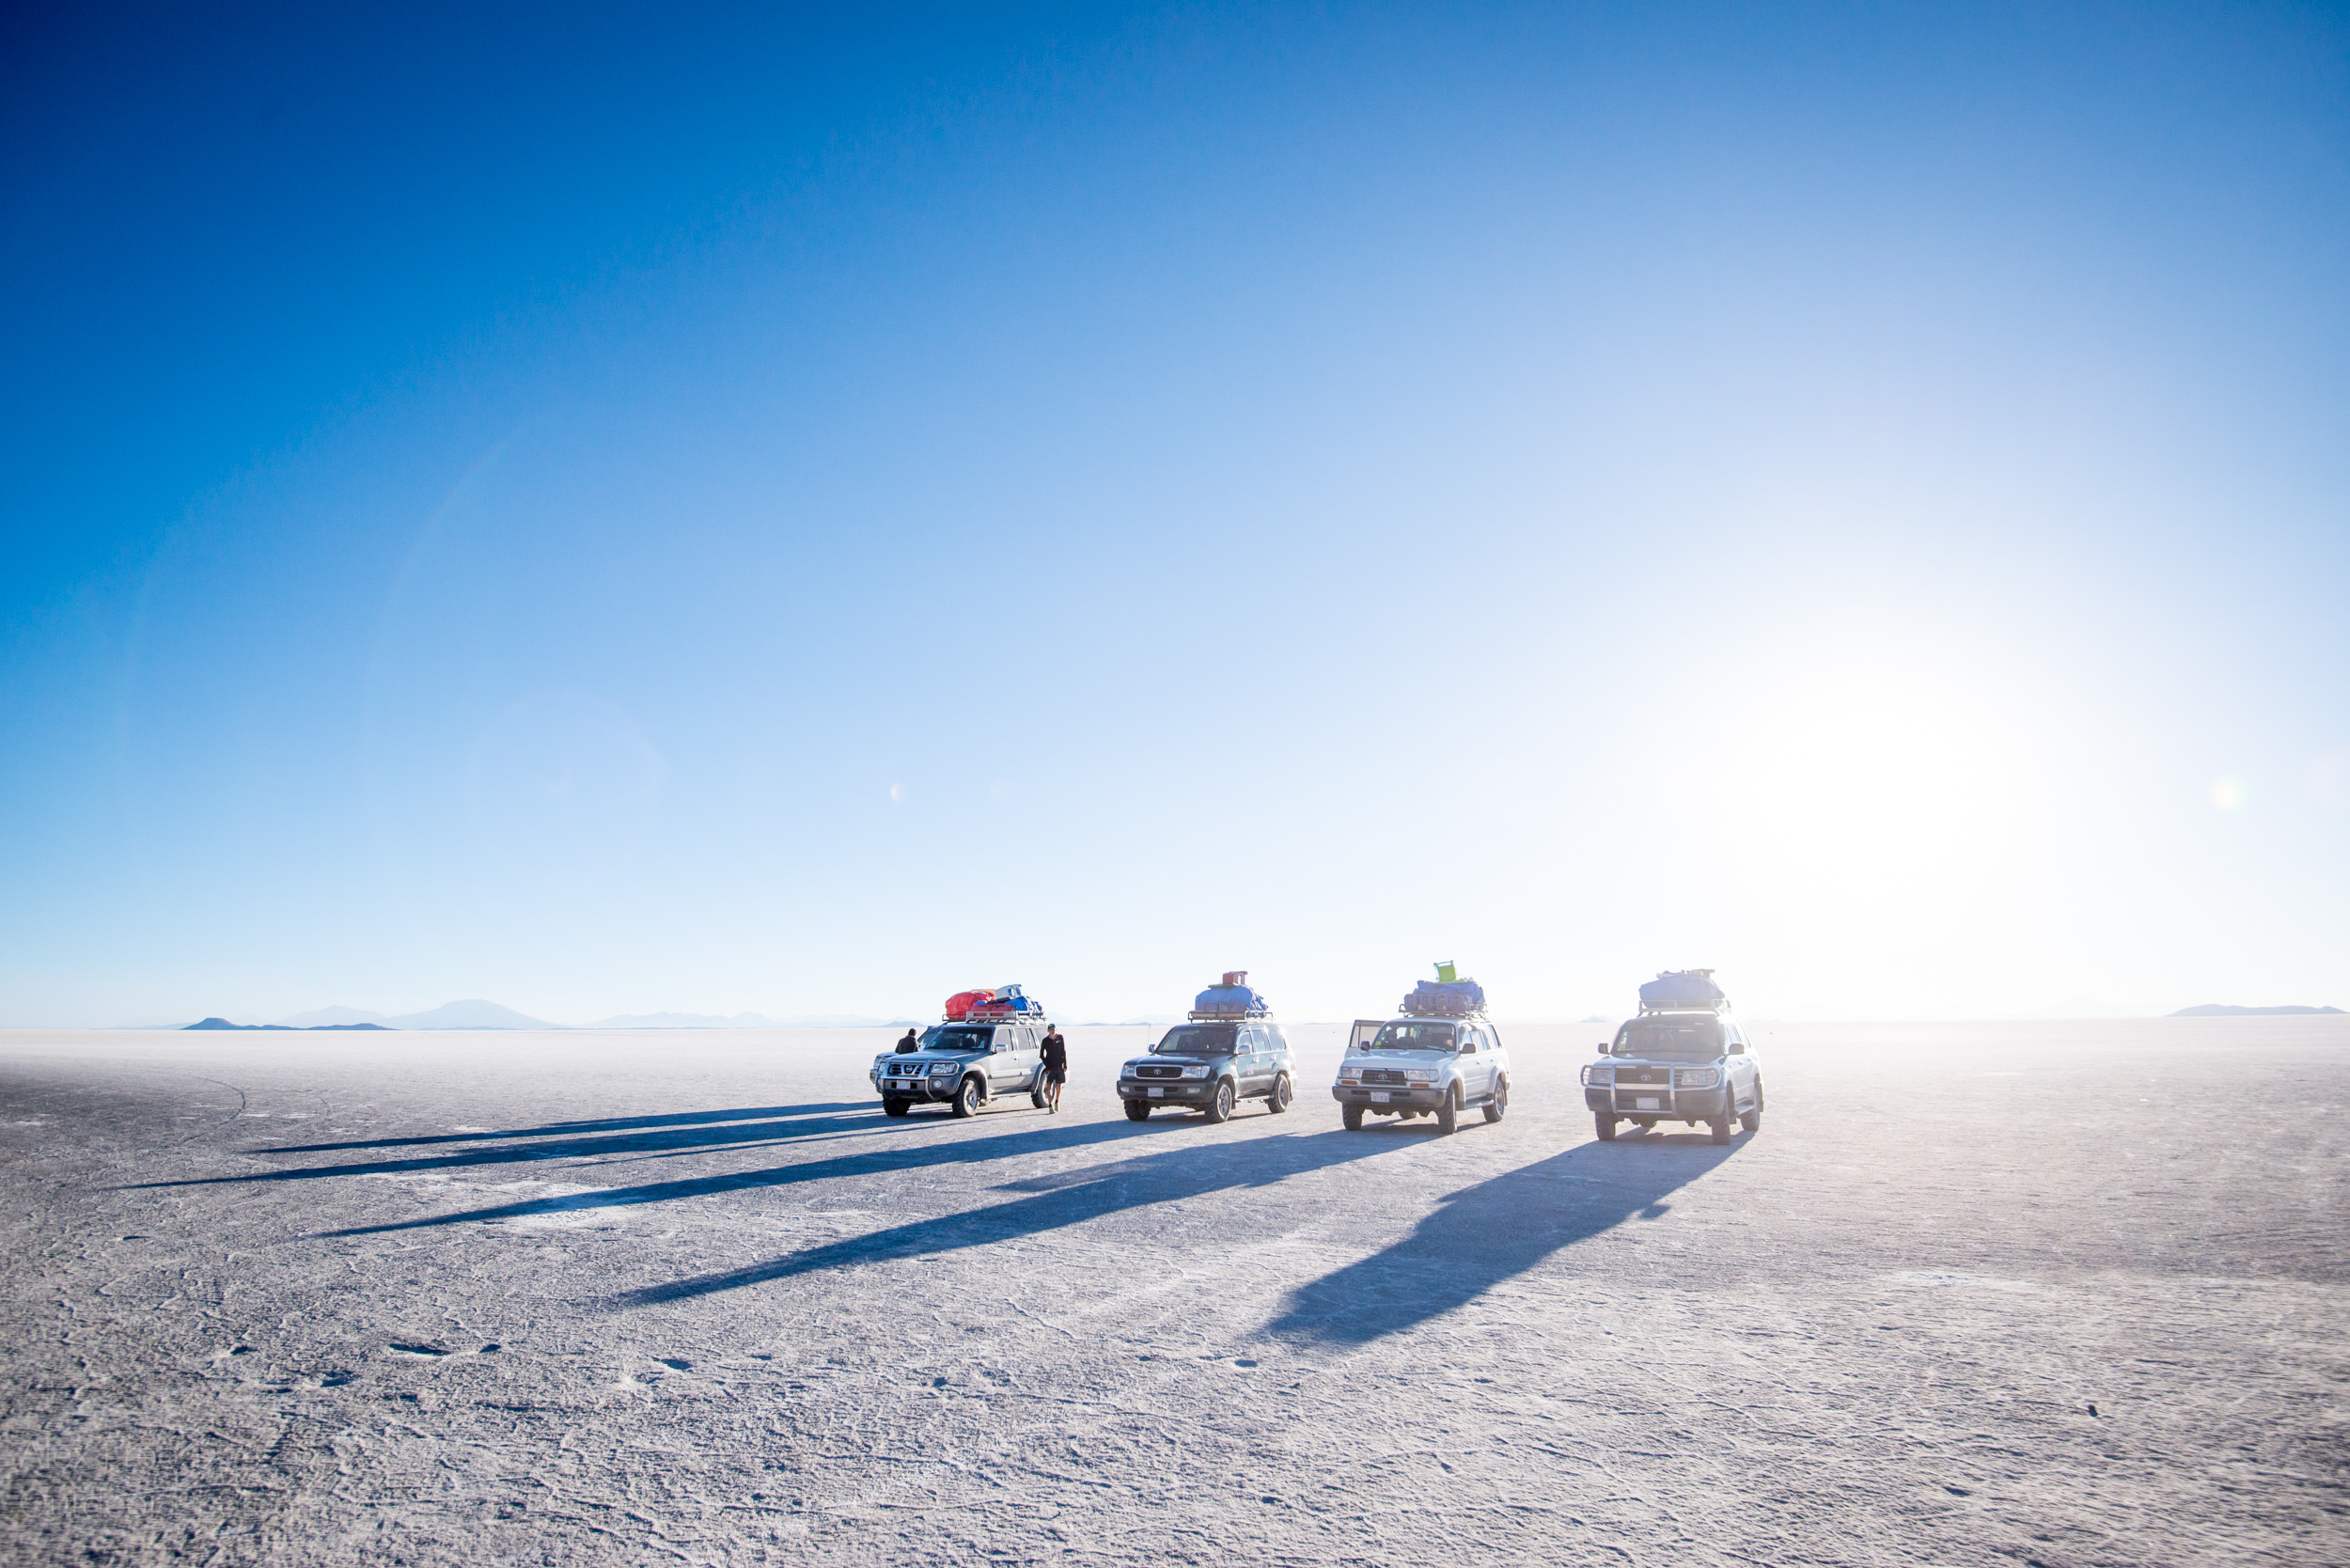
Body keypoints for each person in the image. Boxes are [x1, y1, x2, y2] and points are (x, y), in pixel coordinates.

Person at [1039, 1026, 1068, 1113]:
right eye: (1050, 1030)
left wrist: (1065, 1064)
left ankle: (1057, 1101)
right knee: (1049, 1086)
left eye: (1053, 1029)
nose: (1052, 1031)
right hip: (1051, 1066)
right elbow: (1041, 1055)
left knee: (1059, 1085)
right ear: (1048, 1031)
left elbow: (1063, 1051)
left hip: (1059, 1065)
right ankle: (1050, 1105)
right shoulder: (1045, 1041)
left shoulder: (1060, 1037)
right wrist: (1047, 1066)